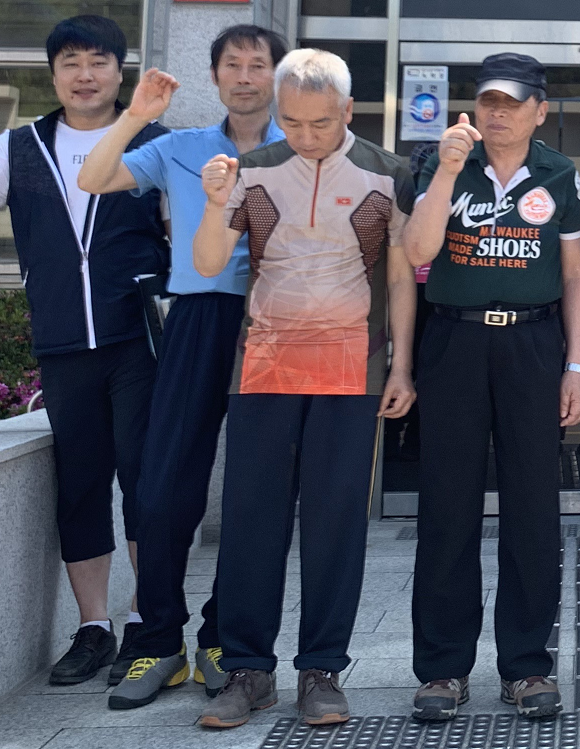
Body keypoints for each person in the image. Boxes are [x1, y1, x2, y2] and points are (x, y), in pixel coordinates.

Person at [0, 15, 168, 687]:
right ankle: (93, 627)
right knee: (80, 483)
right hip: (63, 343)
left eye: (98, 61)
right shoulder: (21, 146)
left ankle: (148, 621)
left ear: (119, 70)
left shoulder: (155, 142)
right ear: (53, 74)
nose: (85, 75)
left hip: (140, 341)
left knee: (146, 482)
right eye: (70, 63)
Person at [187, 48, 417, 731]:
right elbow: (207, 263)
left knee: (335, 523)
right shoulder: (251, 168)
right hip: (263, 366)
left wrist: (401, 364)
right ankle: (247, 669)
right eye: (291, 121)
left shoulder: (389, 171)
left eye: (320, 122)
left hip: (352, 369)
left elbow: (401, 275)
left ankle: (321, 669)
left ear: (348, 110)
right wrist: (212, 205)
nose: (306, 135)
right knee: (250, 520)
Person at [76, 24, 288, 709]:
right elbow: (93, 178)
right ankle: (158, 637)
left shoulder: (299, 147)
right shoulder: (179, 147)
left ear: (277, 76)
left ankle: (222, 638)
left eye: (258, 64)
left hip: (276, 321)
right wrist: (135, 116)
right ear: (215, 74)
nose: (246, 76)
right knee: (164, 484)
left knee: (255, 489)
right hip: (197, 316)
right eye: (233, 64)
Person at [402, 52, 580, 722]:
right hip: (454, 341)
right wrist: (446, 170)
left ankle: (526, 665)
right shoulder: (441, 161)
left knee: (533, 506)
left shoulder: (558, 172)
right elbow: (417, 252)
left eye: (512, 103)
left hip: (532, 343)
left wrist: (575, 365)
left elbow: (576, 273)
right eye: (489, 101)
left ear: (540, 110)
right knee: (447, 504)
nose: (498, 113)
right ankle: (442, 668)